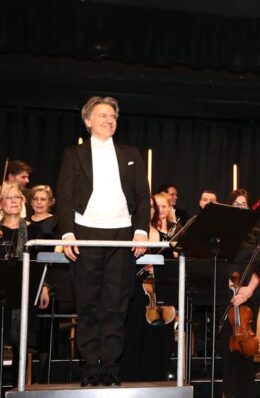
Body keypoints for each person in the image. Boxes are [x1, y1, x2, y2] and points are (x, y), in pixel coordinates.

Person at [56, 96, 150, 387]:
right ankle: (89, 368)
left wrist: (141, 231)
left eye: (113, 116)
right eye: (103, 116)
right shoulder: (74, 154)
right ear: (88, 121)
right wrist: (68, 233)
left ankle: (110, 367)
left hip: (122, 235)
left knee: (115, 303)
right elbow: (66, 196)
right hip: (85, 233)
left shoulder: (131, 153)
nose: (110, 120)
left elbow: (143, 197)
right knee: (88, 303)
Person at [222, 205, 260, 398]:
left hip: (251, 292)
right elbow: (219, 261)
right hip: (228, 291)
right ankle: (228, 391)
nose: (241, 208)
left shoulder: (258, 235)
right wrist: (231, 285)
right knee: (229, 343)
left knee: (248, 344)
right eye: (237, 205)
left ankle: (246, 391)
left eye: (244, 205)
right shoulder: (225, 233)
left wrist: (248, 290)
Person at [120, 195, 175, 382]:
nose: (150, 210)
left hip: (159, 296)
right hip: (135, 292)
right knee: (133, 336)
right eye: (147, 206)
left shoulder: (163, 236)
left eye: (153, 207)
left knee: (159, 338)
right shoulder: (128, 234)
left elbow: (172, 266)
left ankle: (157, 380)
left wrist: (158, 266)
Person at [0, 183, 49, 386]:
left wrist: (43, 287)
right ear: (1, 203)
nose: (13, 200)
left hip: (23, 292)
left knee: (22, 343)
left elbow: (39, 262)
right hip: (1, 291)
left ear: (22, 202)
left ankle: (17, 387)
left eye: (17, 197)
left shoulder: (33, 229)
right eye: (8, 197)